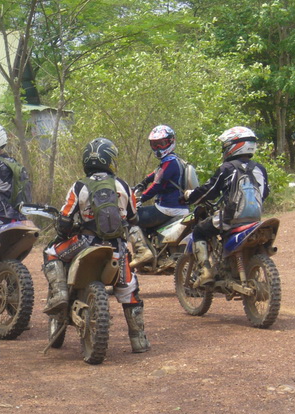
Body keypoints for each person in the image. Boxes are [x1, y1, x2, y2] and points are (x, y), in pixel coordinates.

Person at [42, 137, 150, 353]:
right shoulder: (123, 186)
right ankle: (138, 339)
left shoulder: (79, 186)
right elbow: (134, 218)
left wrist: (64, 230)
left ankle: (60, 293)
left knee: (50, 252)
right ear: (110, 160)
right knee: (130, 291)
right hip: (117, 248)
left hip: (85, 243)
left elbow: (65, 220)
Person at [184, 126, 270, 285]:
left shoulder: (227, 168)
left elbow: (209, 191)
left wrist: (190, 197)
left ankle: (205, 271)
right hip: (255, 219)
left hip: (231, 219)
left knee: (199, 231)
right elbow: (265, 193)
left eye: (225, 145)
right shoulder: (260, 169)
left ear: (234, 146)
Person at [129, 124, 191, 268]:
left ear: (171, 142)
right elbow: (156, 174)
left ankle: (142, 251)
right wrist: (143, 183)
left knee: (131, 218)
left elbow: (157, 184)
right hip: (178, 207)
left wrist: (141, 198)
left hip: (168, 208)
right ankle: (160, 256)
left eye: (161, 144)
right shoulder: (173, 160)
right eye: (154, 144)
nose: (158, 148)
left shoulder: (170, 162)